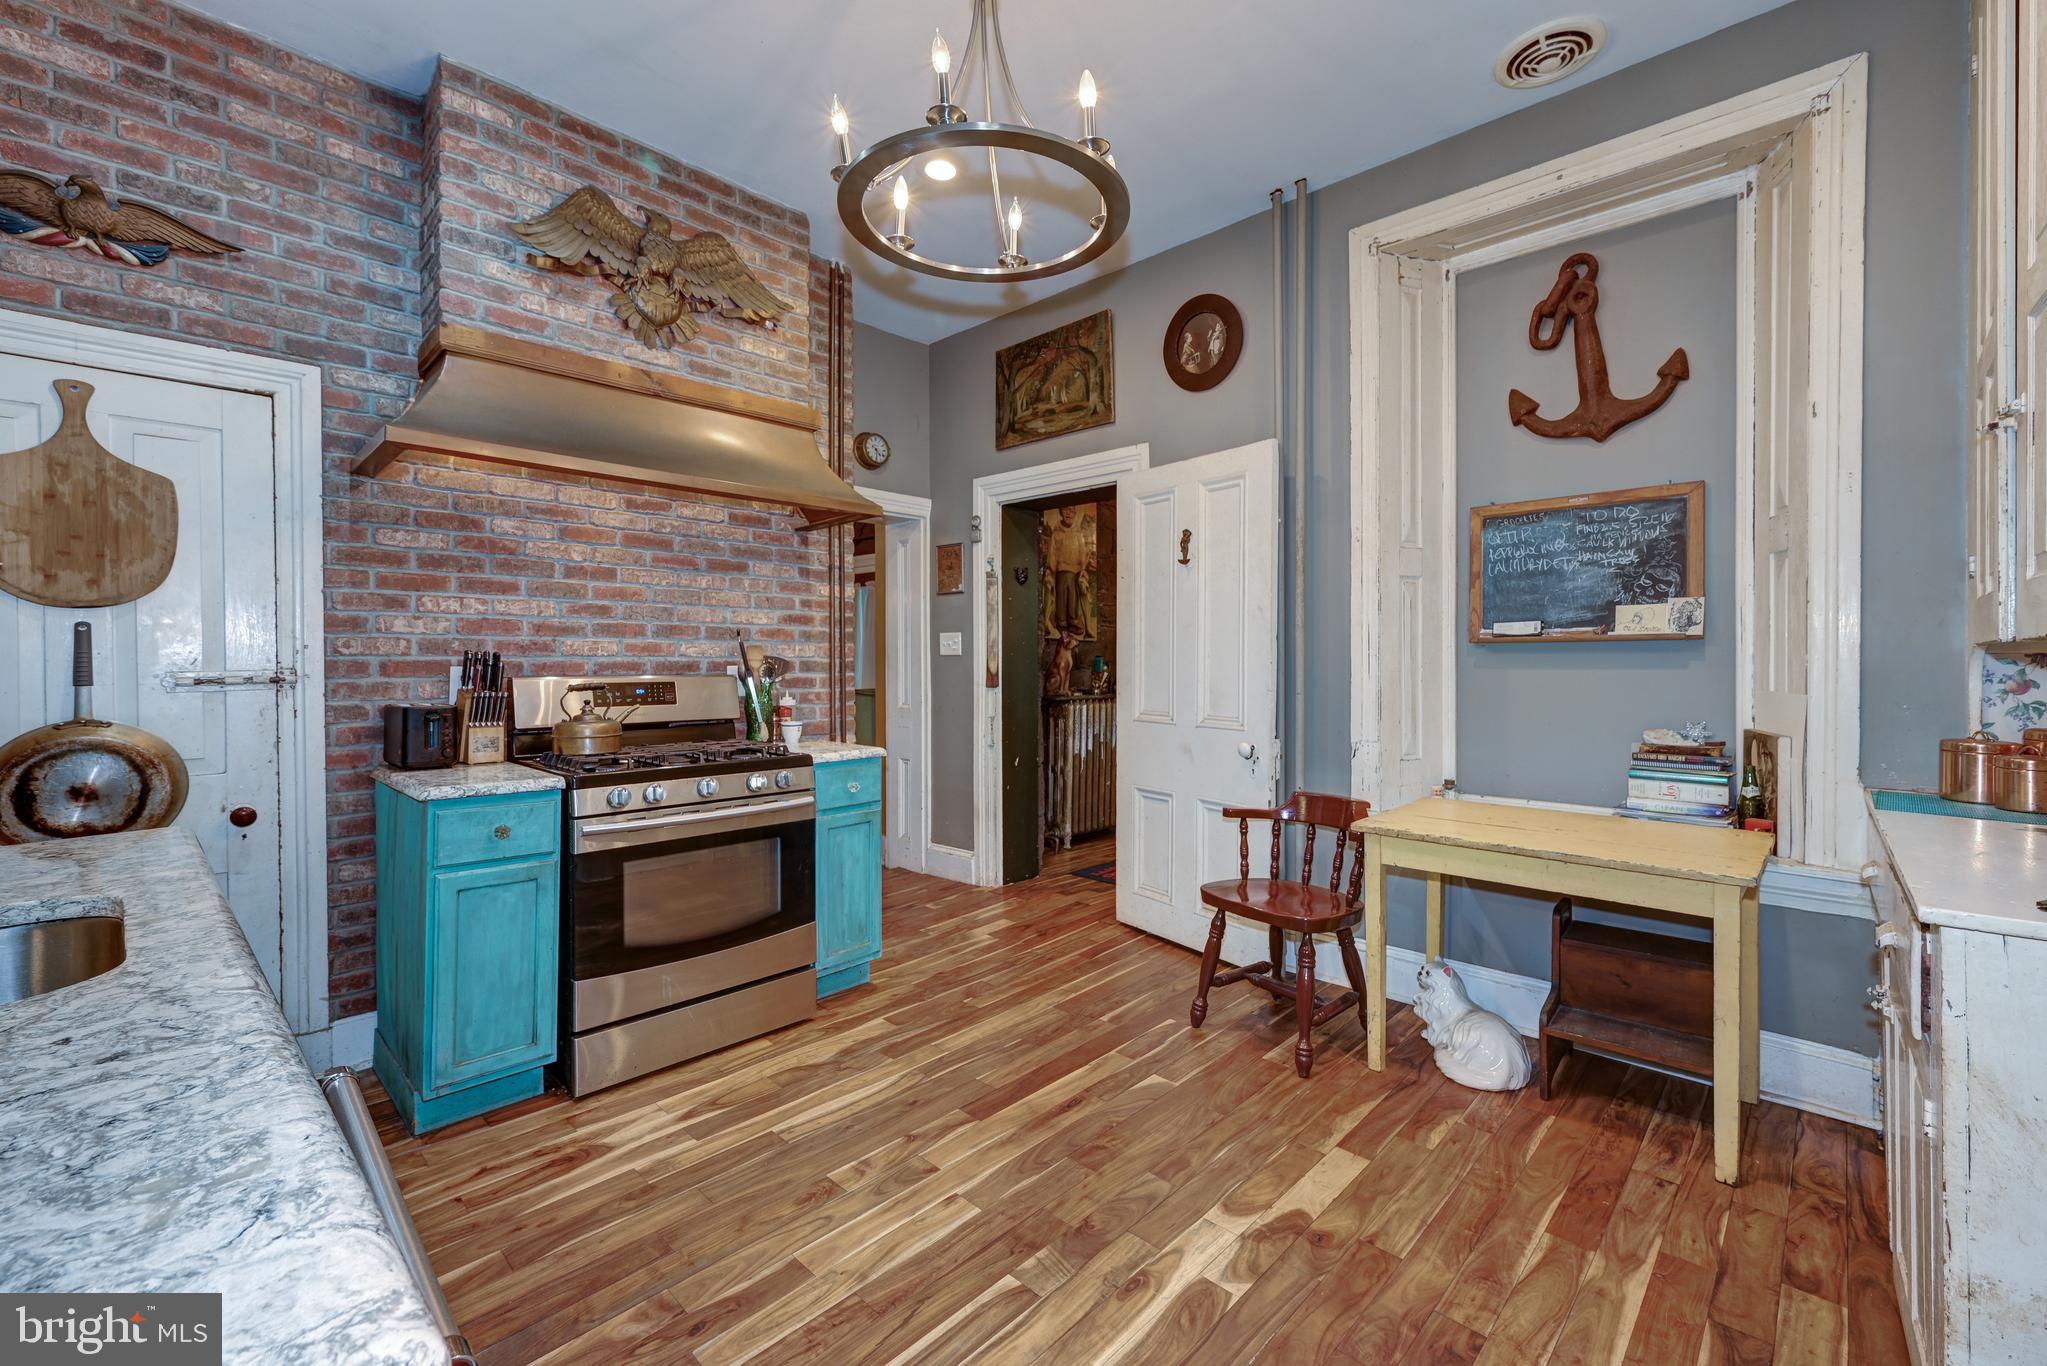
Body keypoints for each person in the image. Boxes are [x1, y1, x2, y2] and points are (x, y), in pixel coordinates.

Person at [1044, 505, 1095, 637]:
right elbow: (1052, 553)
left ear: (1075, 513)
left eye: (1072, 511)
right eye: (1066, 510)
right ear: (1061, 512)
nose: (1069, 513)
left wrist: (1083, 568)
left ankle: (1073, 621)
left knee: (1073, 597)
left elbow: (1082, 552)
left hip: (1075, 572)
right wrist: (1051, 569)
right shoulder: (1057, 533)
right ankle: (1061, 622)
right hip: (1061, 570)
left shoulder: (1078, 533)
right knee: (1061, 596)